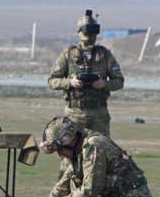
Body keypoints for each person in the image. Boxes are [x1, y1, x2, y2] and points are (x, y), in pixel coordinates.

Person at [47, 9, 124, 137]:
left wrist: (103, 84)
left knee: (99, 150)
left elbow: (119, 81)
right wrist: (70, 83)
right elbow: (52, 81)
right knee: (70, 151)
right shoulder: (68, 55)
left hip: (99, 114)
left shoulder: (104, 55)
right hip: (74, 114)